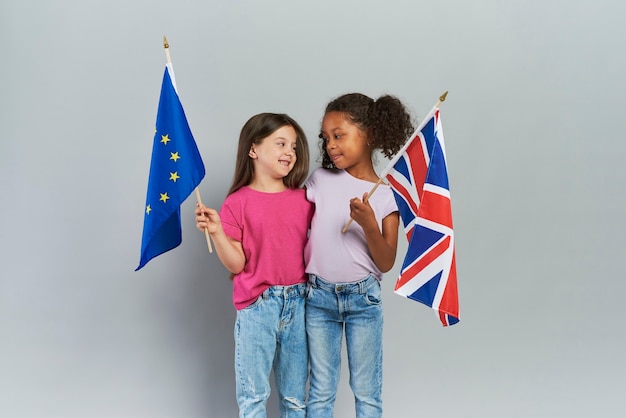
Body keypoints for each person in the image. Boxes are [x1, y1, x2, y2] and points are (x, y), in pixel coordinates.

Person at [195, 113, 314, 418]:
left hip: (300, 304)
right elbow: (237, 263)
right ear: (253, 149)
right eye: (281, 143)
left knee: (295, 399)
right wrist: (218, 231)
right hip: (257, 307)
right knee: (253, 397)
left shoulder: (305, 200)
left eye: (294, 146)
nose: (290, 152)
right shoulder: (238, 202)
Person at [304, 93, 414, 417]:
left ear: (368, 135)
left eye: (339, 135)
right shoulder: (319, 180)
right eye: (326, 138)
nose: (331, 145)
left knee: (366, 392)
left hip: (363, 302)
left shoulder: (385, 196)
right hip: (318, 298)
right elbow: (292, 225)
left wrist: (368, 223)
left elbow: (385, 262)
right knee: (320, 391)